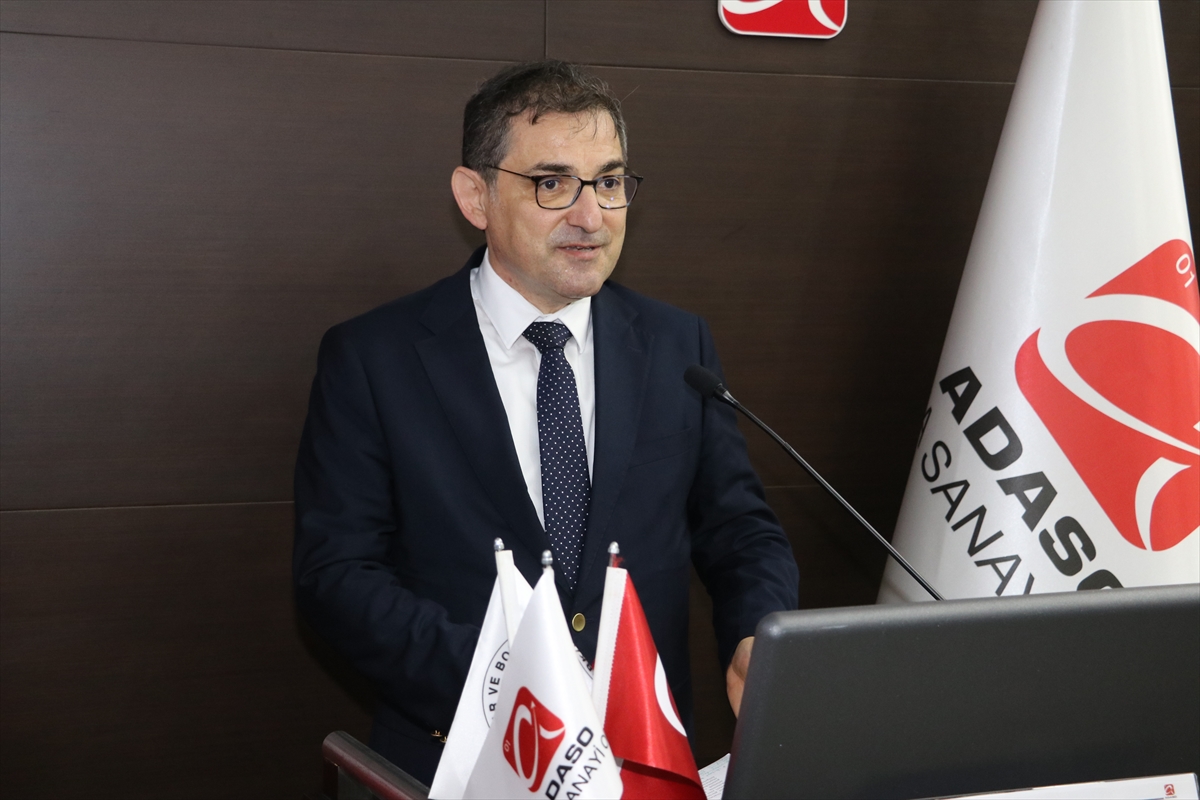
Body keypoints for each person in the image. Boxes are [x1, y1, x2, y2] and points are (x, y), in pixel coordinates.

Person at [293, 60, 799, 785]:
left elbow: (739, 530)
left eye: (609, 182)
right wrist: (515, 684)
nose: (591, 216)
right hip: (464, 760)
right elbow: (337, 576)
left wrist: (757, 635)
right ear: (475, 196)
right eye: (552, 184)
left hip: (644, 763)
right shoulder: (375, 358)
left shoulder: (675, 345)